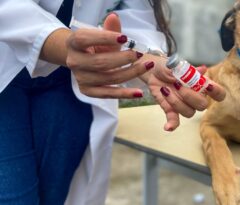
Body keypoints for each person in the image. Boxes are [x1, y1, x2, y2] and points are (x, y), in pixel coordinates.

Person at [0, 0, 225, 205]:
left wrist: (146, 57)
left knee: (54, 196)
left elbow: (134, 10)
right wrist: (61, 42)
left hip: (69, 81)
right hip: (7, 68)